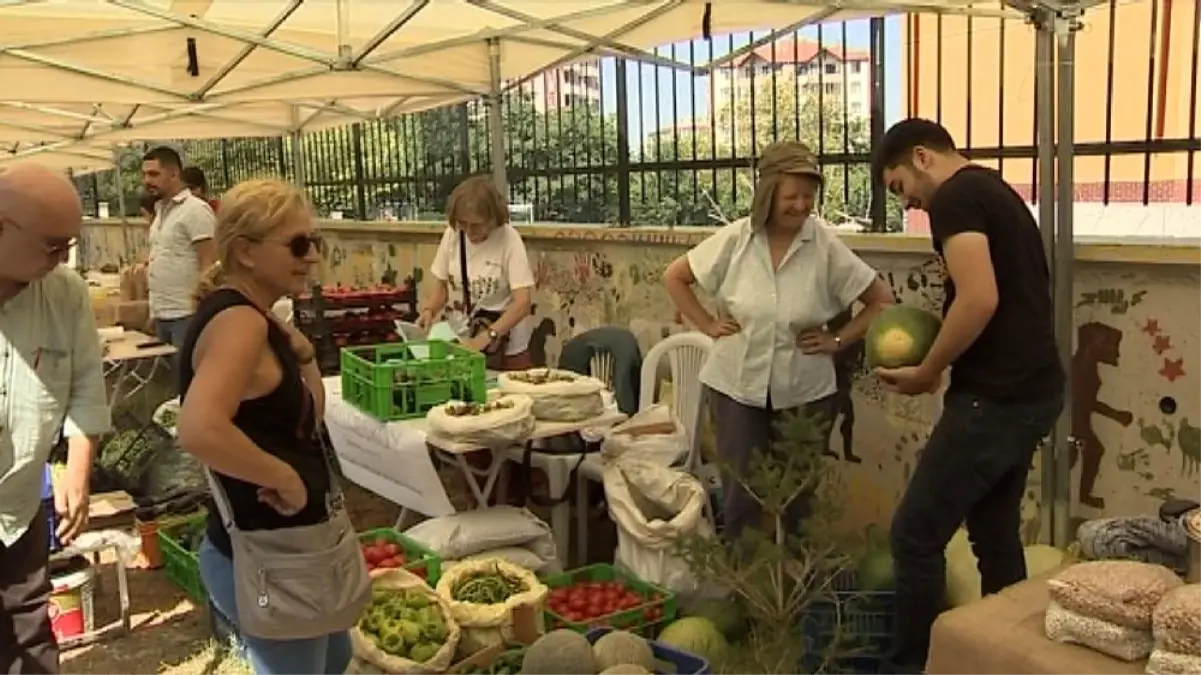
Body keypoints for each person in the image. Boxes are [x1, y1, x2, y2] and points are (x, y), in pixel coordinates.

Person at [871, 118, 1064, 675]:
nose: (908, 201)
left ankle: (913, 667)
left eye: (899, 186)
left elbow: (978, 298)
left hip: (996, 398)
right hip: (1032, 390)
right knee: (993, 531)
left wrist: (929, 369)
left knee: (914, 535)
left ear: (923, 158)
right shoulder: (992, 188)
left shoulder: (954, 198)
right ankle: (1002, 657)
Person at [663, 140, 894, 546]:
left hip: (804, 391)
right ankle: (747, 595)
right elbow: (675, 277)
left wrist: (836, 339)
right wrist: (706, 324)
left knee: (799, 500)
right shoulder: (735, 239)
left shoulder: (823, 245)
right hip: (734, 386)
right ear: (768, 193)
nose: (802, 206)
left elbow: (880, 301)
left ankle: (795, 594)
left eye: (809, 196)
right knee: (741, 499)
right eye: (792, 196)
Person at [175, 179, 346, 675]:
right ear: (246, 252)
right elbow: (199, 429)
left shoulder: (257, 318)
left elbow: (305, 420)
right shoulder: (240, 325)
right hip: (265, 556)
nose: (312, 256)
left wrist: (304, 354)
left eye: (315, 242)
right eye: (297, 244)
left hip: (294, 551)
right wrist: (283, 477)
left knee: (337, 657)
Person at [0, 163, 112, 675]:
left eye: (69, 244)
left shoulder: (64, 293)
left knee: (30, 630)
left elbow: (86, 382)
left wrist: (78, 466)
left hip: (18, 508)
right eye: (51, 244)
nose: (63, 257)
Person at [417, 174, 535, 371]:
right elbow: (442, 286)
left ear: (493, 218)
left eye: (477, 225)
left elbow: (522, 303)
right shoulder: (453, 235)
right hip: (463, 341)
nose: (469, 231)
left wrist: (486, 338)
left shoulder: (509, 239)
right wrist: (429, 310)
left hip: (506, 347)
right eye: (463, 223)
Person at [142, 146, 217, 348]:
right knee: (168, 378)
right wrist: (153, 310)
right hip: (162, 314)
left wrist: (203, 310)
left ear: (174, 173)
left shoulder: (196, 210)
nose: (147, 181)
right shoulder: (160, 212)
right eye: (145, 175)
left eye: (154, 174)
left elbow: (209, 264)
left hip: (187, 314)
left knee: (187, 377)